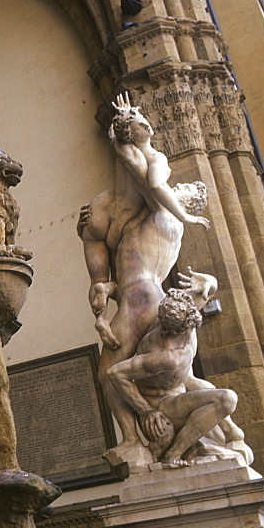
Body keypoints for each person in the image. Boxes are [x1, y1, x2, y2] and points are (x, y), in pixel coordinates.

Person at [78, 91, 210, 452]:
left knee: (111, 372)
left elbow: (151, 183)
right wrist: (123, 122)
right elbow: (132, 171)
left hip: (137, 298)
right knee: (174, 375)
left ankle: (134, 440)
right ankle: (211, 433)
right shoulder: (156, 222)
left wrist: (183, 212)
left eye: (181, 190)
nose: (176, 188)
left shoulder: (164, 213)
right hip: (145, 292)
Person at [106, 276, 252, 466]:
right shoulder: (166, 356)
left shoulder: (182, 305)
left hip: (182, 391)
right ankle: (173, 455)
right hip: (164, 404)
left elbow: (206, 291)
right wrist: (146, 411)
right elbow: (115, 373)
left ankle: (204, 444)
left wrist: (208, 283)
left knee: (229, 440)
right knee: (227, 399)